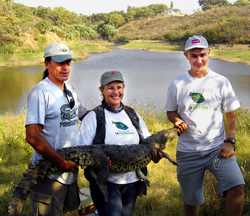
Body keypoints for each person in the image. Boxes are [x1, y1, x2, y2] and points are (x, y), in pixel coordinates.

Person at [165, 35, 245, 216]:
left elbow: (230, 113)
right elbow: (170, 111)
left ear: (209, 53)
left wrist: (230, 141)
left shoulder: (221, 82)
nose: (199, 60)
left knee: (237, 188)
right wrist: (177, 120)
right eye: (194, 56)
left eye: (202, 54)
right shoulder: (177, 84)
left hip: (217, 149)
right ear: (186, 56)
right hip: (188, 152)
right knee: (191, 202)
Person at [79, 70, 150, 216]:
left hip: (132, 181)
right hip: (106, 183)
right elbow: (82, 152)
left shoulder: (132, 114)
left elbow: (147, 144)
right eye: (110, 88)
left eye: (119, 87)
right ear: (102, 90)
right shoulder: (94, 117)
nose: (116, 92)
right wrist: (99, 162)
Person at [25, 42, 84, 216]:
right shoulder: (40, 93)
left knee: (68, 211)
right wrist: (60, 162)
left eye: (68, 62)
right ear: (46, 63)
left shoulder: (69, 89)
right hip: (49, 174)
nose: (65, 68)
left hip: (70, 170)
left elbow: (81, 112)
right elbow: (33, 136)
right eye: (59, 63)